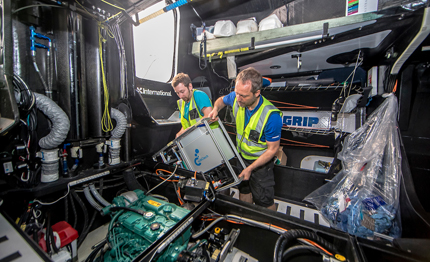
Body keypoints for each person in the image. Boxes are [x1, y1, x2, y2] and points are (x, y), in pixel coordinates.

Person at [208, 67, 282, 210]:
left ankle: (268, 228)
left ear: (257, 93)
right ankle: (245, 218)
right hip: (241, 157)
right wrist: (216, 109)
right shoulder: (237, 97)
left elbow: (273, 150)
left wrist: (251, 168)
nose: (238, 98)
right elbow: (221, 101)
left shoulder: (271, 116)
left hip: (260, 164)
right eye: (237, 93)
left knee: (264, 200)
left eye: (243, 96)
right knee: (244, 189)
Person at [172, 73, 213, 138]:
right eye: (177, 93)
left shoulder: (199, 95)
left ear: (190, 86)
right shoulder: (181, 103)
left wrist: (191, 128)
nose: (180, 96)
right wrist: (180, 133)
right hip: (195, 138)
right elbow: (186, 124)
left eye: (182, 91)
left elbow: (209, 117)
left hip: (210, 136)